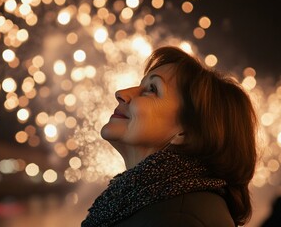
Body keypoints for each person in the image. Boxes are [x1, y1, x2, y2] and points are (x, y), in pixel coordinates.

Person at [81, 46, 257, 227]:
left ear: (186, 133)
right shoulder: (146, 203)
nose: (122, 93)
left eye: (151, 89)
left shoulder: (180, 219)